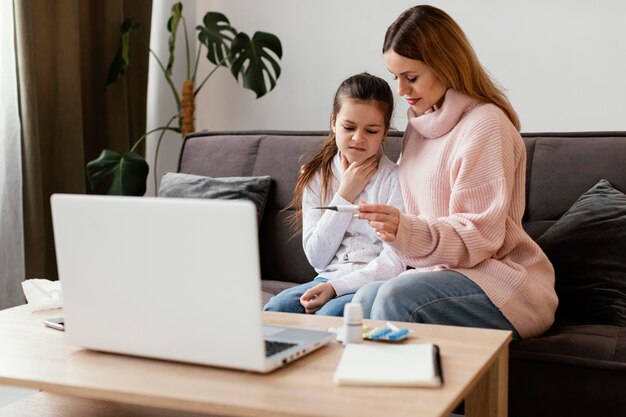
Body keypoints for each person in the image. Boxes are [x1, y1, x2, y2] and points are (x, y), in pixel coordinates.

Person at [353, 5, 557, 339]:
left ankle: (393, 392)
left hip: (501, 282)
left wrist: (406, 229)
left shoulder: (486, 124)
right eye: (396, 77)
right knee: (361, 301)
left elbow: (481, 236)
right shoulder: (417, 129)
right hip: (437, 275)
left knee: (395, 298)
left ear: (445, 66)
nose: (401, 91)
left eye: (412, 77)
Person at [263, 73, 406, 316]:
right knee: (276, 309)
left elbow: (394, 262)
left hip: (368, 284)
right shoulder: (315, 176)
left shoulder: (395, 180)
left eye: (371, 131)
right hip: (326, 277)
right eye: (349, 127)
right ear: (333, 123)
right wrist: (344, 194)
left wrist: (336, 288)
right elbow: (318, 258)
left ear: (384, 132)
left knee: (329, 315)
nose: (358, 138)